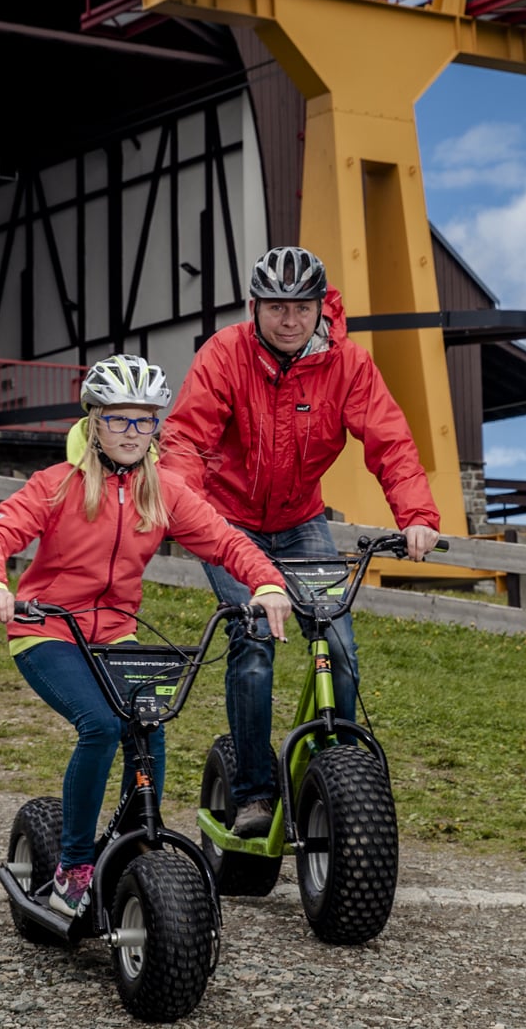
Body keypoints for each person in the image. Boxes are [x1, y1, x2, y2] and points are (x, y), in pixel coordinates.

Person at [0, 354, 294, 917]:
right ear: (93, 420)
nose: (133, 432)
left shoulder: (162, 488)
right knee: (99, 725)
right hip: (47, 628)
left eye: (145, 420)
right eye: (119, 419)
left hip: (114, 632)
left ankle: (138, 840)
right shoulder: (58, 484)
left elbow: (227, 542)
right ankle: (73, 868)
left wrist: (266, 584)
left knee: (150, 722)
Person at [159, 245, 441, 839]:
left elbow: (390, 442)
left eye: (302, 306)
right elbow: (184, 441)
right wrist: (179, 506)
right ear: (256, 306)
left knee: (337, 639)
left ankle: (328, 778)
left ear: (321, 308)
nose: (290, 319)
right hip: (227, 521)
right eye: (278, 306)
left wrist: (416, 513)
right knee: (254, 637)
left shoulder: (348, 365)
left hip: (301, 520)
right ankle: (256, 792)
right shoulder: (224, 355)